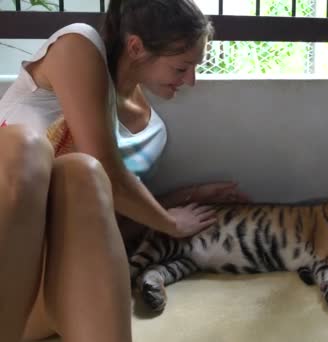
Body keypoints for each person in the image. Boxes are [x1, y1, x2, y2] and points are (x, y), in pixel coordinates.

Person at [0, 0, 248, 341]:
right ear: (136, 47)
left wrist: (188, 197)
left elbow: (108, 210)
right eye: (181, 68)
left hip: (48, 287)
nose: (191, 81)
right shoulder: (79, 45)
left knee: (83, 175)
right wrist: (171, 223)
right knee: (26, 147)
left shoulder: (152, 131)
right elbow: (111, 173)